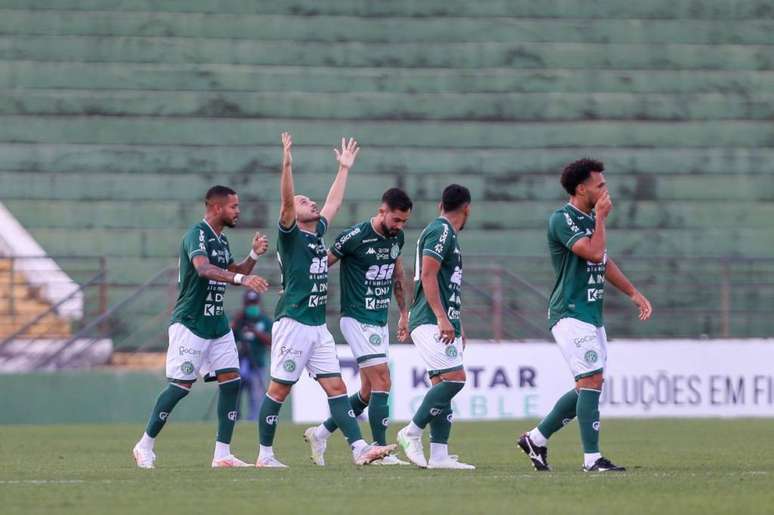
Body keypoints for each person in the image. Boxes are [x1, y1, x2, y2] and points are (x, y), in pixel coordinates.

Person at [255, 132, 395, 468]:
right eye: (305, 202)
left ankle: (359, 448)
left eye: (311, 202)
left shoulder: (316, 233)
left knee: (335, 386)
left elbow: (332, 203)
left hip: (317, 326)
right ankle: (265, 455)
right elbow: (288, 201)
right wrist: (287, 163)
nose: (312, 204)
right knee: (279, 390)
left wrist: (343, 169)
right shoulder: (289, 236)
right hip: (293, 322)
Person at [517, 158, 653, 473]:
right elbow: (592, 252)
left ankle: (536, 438)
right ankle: (592, 459)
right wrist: (602, 219)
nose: (605, 190)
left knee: (587, 386)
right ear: (582, 188)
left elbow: (602, 260)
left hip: (591, 314)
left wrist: (633, 292)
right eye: (600, 185)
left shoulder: (590, 220)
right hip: (570, 311)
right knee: (590, 379)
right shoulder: (562, 219)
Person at [132, 185, 270, 469]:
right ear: (217, 208)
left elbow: (234, 272)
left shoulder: (222, 240)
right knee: (181, 387)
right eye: (234, 206)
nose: (238, 211)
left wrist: (253, 256)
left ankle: (222, 454)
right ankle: (145, 444)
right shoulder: (197, 234)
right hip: (191, 322)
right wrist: (242, 281)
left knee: (232, 382)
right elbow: (203, 269)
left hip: (216, 323)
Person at [304, 188, 413, 466]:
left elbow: (397, 273)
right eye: (396, 219)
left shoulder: (396, 238)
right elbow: (322, 264)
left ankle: (319, 433)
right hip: (356, 317)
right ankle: (377, 451)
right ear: (382, 211)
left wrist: (403, 312)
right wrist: (298, 287)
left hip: (378, 320)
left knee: (367, 392)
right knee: (383, 380)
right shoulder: (355, 236)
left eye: (404, 222)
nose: (399, 226)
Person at [397, 184, 475, 470]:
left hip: (442, 320)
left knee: (443, 384)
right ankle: (411, 432)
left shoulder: (446, 233)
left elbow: (447, 286)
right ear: (467, 208)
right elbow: (428, 276)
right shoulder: (441, 231)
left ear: (441, 204)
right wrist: (442, 318)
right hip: (430, 320)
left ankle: (440, 456)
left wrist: (456, 321)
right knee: (455, 379)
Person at [233, 290, 272, 421]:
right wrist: (236, 323)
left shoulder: (265, 320)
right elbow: (229, 338)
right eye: (249, 303)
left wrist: (255, 331)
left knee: (257, 396)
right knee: (234, 392)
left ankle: (254, 422)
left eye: (254, 303)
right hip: (240, 363)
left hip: (258, 363)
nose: (252, 306)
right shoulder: (240, 319)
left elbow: (271, 341)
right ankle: (234, 418)